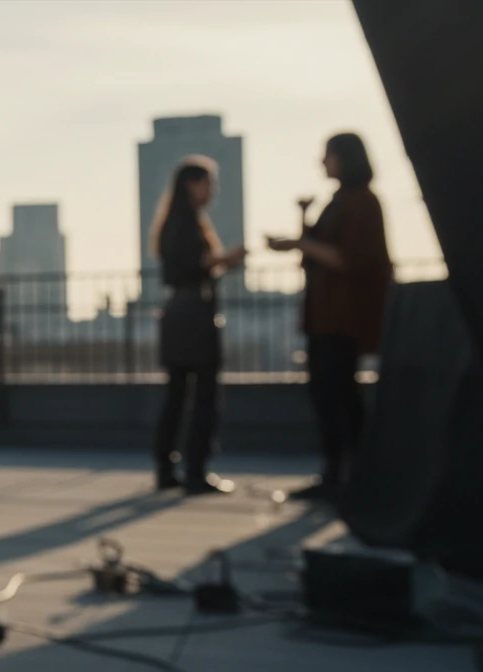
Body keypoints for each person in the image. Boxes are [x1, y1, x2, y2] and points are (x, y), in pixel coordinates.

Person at [268, 132, 392, 502]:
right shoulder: (341, 202)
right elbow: (321, 254)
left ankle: (351, 474)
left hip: (344, 316)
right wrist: (303, 223)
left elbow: (348, 259)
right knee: (328, 393)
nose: (322, 163)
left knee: (339, 394)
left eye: (328, 156)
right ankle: (339, 473)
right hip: (326, 316)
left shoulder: (362, 203)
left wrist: (301, 242)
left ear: (344, 159)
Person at [149, 156, 248, 496]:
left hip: (177, 313)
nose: (213, 191)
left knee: (177, 395)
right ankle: (195, 470)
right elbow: (198, 262)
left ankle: (167, 468)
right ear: (192, 184)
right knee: (204, 394)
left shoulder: (173, 222)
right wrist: (227, 259)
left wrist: (219, 262)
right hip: (194, 314)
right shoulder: (187, 222)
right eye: (209, 183)